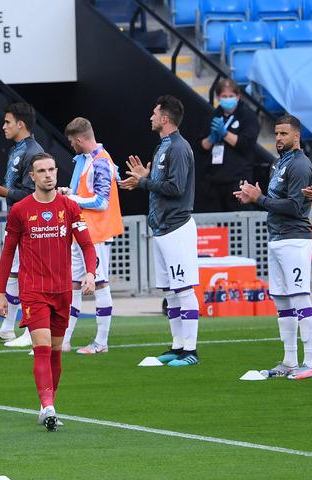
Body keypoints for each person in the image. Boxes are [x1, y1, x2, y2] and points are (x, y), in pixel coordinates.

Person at [0, 153, 96, 430]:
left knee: (55, 351)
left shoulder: (70, 207)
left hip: (63, 290)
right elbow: (8, 253)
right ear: (32, 176)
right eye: (42, 171)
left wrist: (90, 272)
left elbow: (87, 244)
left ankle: (46, 405)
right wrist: (0, 291)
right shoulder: (20, 210)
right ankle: (49, 406)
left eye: (52, 169)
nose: (49, 174)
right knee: (41, 348)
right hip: (34, 291)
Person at [119, 95, 200, 367]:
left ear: (165, 118)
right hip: (163, 227)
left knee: (184, 288)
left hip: (177, 226)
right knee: (170, 291)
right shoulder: (164, 146)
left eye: (154, 113)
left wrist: (144, 182)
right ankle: (178, 346)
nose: (150, 117)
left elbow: (176, 189)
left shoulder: (178, 148)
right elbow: (161, 184)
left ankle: (191, 350)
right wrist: (145, 179)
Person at [237, 115, 312, 380]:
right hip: (277, 237)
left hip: (295, 239)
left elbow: (295, 207)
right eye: (276, 134)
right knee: (282, 301)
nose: (279, 139)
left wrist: (259, 199)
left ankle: (311, 363)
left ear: (297, 136)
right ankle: (289, 360)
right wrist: (257, 196)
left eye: (284, 134)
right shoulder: (279, 163)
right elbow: (275, 201)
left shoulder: (300, 165)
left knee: (299, 298)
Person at [0, 102, 44, 345]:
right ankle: (7, 327)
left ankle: (31, 329)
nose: (3, 126)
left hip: (31, 222)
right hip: (17, 219)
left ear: (20, 124)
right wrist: (0, 188)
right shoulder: (18, 149)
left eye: (7, 122)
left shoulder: (34, 152)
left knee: (28, 275)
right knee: (14, 272)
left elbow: (33, 194)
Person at [60, 117, 124, 354]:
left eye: (71, 141)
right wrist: (69, 193)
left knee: (100, 283)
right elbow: (84, 193)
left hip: (96, 234)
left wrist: (71, 199)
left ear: (78, 139)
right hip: (82, 232)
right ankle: (65, 339)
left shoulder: (101, 161)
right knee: (74, 284)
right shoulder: (85, 160)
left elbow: (101, 201)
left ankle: (101, 342)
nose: (71, 145)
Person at [200, 78, 258, 212]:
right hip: (214, 180)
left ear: (237, 96)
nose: (227, 99)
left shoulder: (247, 115)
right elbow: (201, 146)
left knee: (238, 221)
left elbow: (246, 144)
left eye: (231, 96)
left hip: (238, 180)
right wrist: (212, 138)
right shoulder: (213, 115)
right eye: (224, 96)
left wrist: (224, 133)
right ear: (218, 97)